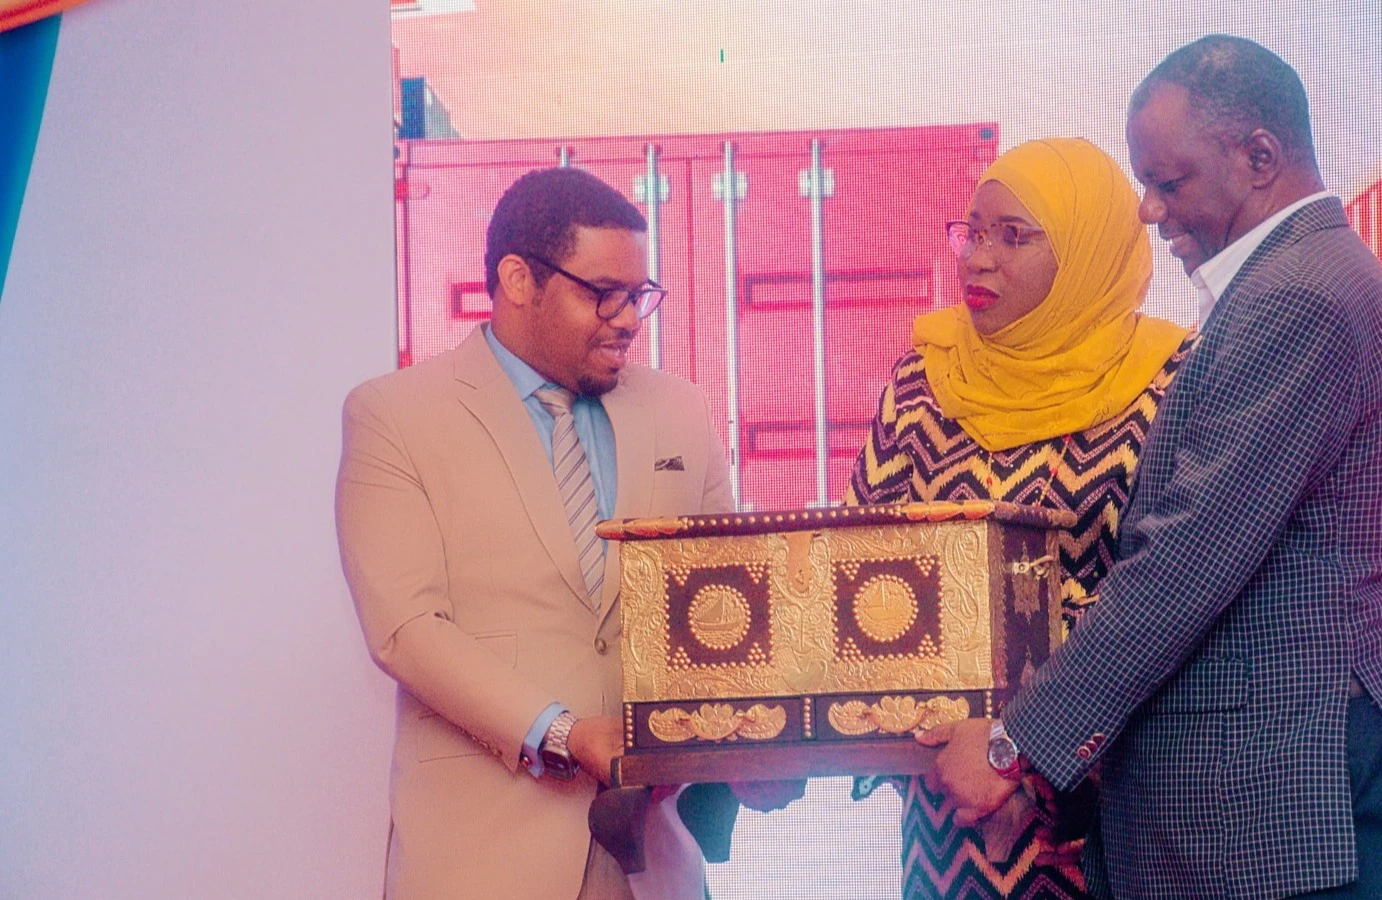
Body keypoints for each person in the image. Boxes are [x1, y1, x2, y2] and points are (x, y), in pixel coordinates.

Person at [923, 35, 1382, 900]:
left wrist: (1013, 745)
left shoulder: (1297, 296)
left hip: (1302, 810)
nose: (1149, 209)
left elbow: (1185, 562)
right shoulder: (1294, 281)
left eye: (1170, 180)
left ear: (1259, 156)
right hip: (1280, 807)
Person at [336, 166, 748, 899]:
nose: (629, 318)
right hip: (481, 859)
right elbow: (405, 625)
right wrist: (563, 732)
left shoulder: (678, 409)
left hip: (653, 859)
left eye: (640, 295)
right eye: (604, 294)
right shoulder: (395, 416)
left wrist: (766, 741)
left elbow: (732, 599)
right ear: (518, 279)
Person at [847, 137, 1193, 899]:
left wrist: (1026, 745)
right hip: (951, 800)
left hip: (1117, 793)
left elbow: (1171, 586)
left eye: (1013, 236)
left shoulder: (1171, 381)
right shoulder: (925, 376)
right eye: (972, 232)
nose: (977, 258)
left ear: (1086, 250)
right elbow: (858, 557)